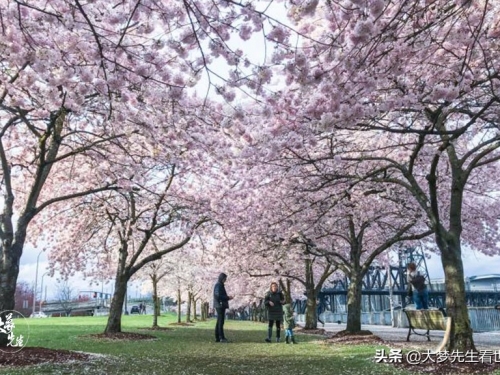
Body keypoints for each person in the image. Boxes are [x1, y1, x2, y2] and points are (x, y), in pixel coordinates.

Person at [213, 272, 233, 343]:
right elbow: (218, 296)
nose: (225, 280)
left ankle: (217, 337)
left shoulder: (219, 285)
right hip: (220, 305)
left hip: (219, 305)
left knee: (219, 321)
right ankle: (221, 337)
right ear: (222, 278)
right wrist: (227, 297)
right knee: (221, 322)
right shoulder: (219, 285)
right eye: (225, 279)